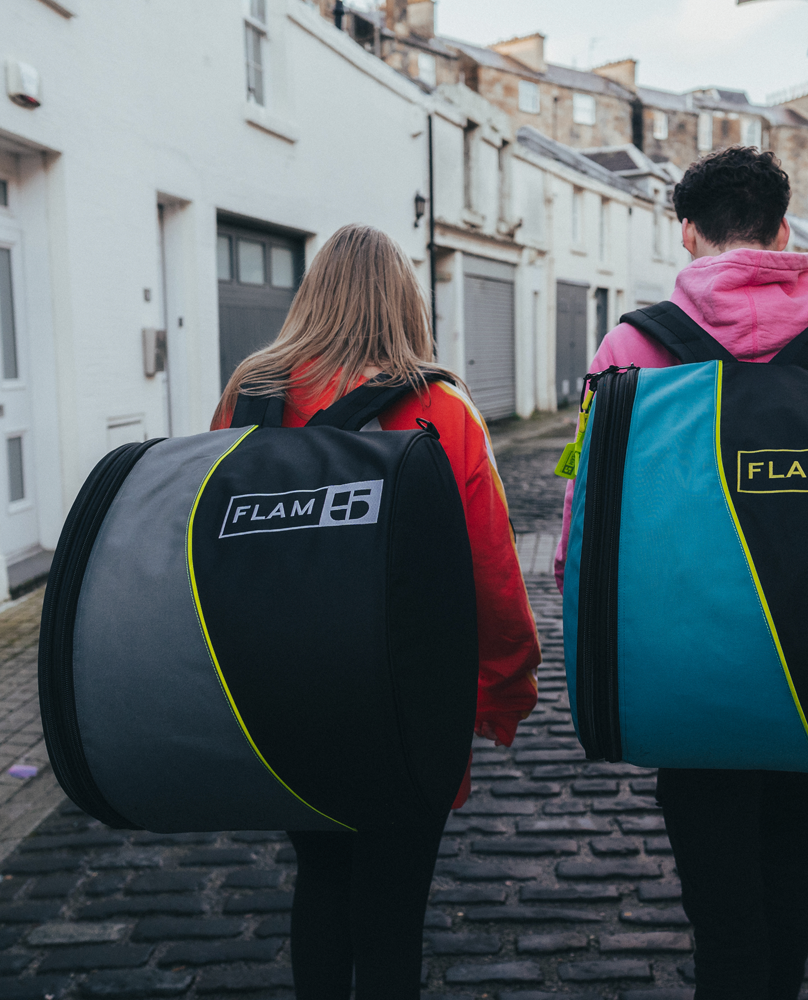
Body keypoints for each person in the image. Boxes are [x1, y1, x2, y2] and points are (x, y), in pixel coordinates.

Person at [554, 146, 808, 1000]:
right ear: (784, 230)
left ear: (686, 234)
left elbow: (583, 512)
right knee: (790, 871)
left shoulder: (632, 345)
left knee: (717, 896)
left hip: (687, 661)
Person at [212, 223, 540, 1000]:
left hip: (282, 692)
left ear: (312, 295)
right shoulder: (441, 408)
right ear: (405, 301)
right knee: (393, 905)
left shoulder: (251, 394)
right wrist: (503, 692)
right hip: (406, 702)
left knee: (321, 876)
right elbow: (491, 572)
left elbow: (211, 541)